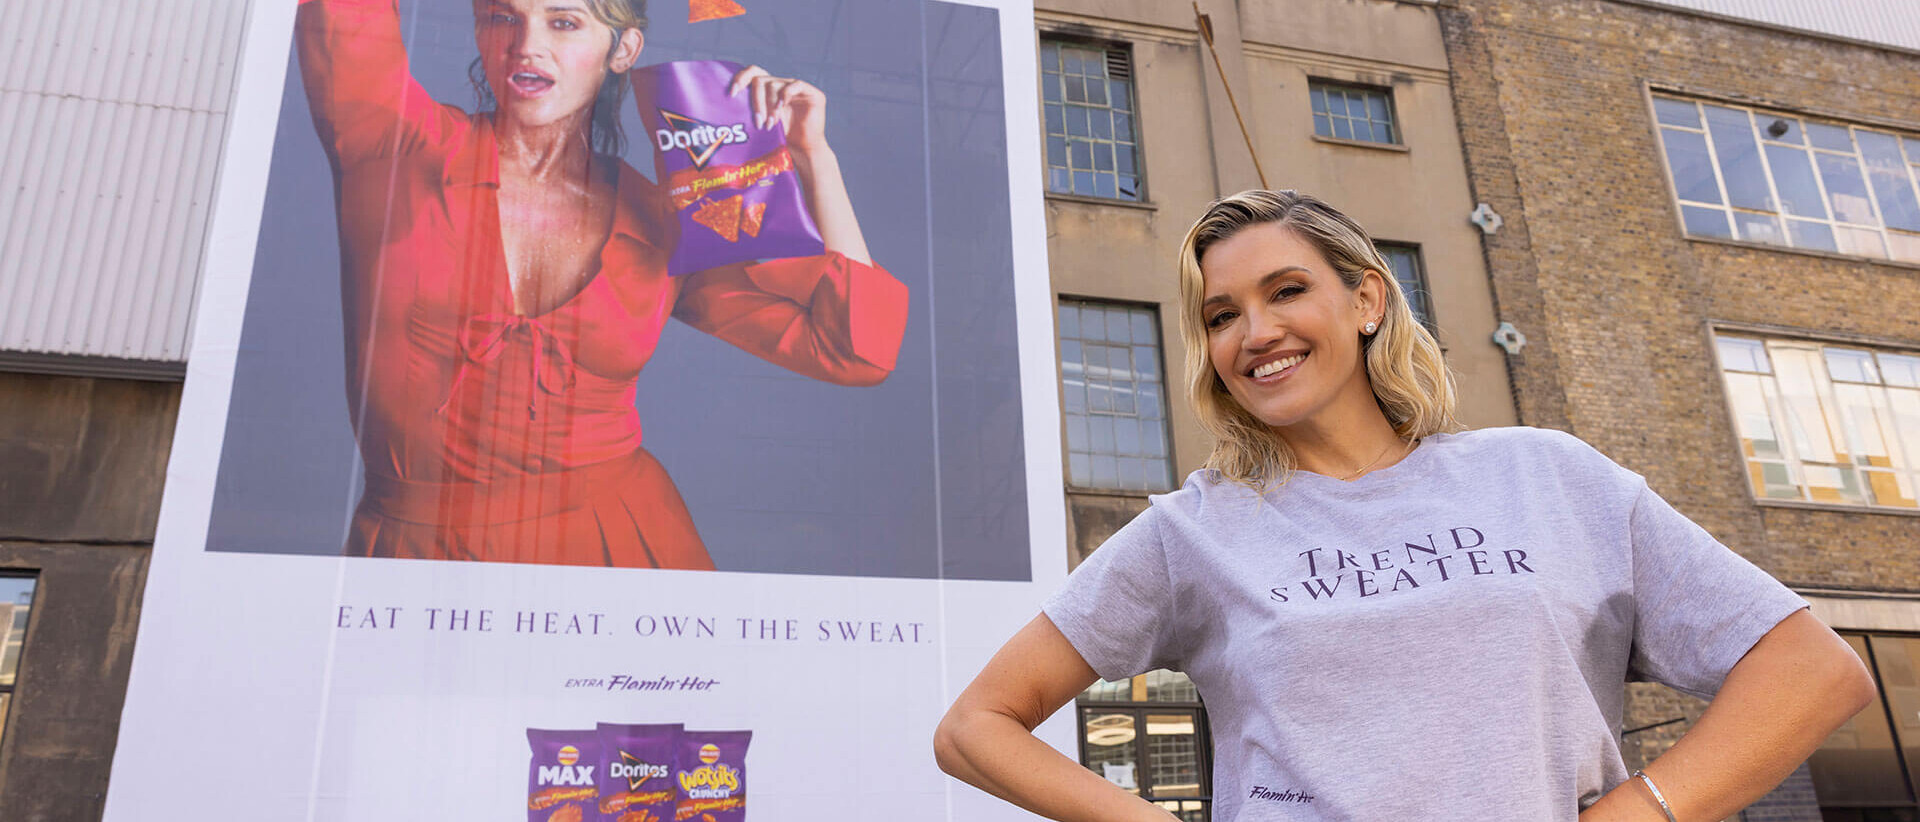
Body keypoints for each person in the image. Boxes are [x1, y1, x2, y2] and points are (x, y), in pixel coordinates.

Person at [934, 190, 1875, 821]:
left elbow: (1811, 672)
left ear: (1367, 302)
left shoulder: (1546, 475)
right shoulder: (1195, 532)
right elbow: (976, 726)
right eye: (1221, 316)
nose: (1255, 333)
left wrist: (1640, 811)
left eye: (1286, 291)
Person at [294, 0, 909, 568]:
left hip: (620, 541)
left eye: (564, 22)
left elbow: (853, 351)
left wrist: (813, 157)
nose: (526, 45)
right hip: (415, 547)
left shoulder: (669, 222)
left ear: (623, 49)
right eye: (504, 18)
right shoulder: (392, 147)